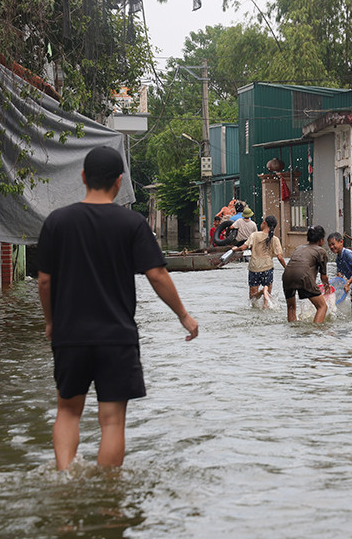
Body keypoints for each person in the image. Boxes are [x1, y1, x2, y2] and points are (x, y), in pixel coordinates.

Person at [37, 145, 199, 471]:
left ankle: (65, 481)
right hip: (117, 336)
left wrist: (52, 322)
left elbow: (44, 282)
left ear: (83, 177)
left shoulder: (57, 222)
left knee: (67, 411)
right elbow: (157, 274)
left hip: (71, 335)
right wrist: (183, 315)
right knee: (112, 422)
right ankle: (109, 500)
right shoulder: (132, 224)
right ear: (119, 181)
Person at [233, 215, 287, 307]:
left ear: (265, 223)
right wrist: (287, 268)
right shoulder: (275, 239)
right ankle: (265, 296)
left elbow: (243, 247)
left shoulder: (254, 235)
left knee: (253, 298)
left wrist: (235, 249)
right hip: (267, 268)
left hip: (254, 268)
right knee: (268, 296)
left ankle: (261, 292)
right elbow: (280, 257)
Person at [282, 225, 330, 323]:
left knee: (291, 307)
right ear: (321, 240)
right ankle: (316, 331)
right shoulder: (321, 251)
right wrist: (327, 288)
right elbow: (323, 276)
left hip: (287, 275)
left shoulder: (299, 247)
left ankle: (293, 331)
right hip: (303, 276)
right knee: (322, 306)